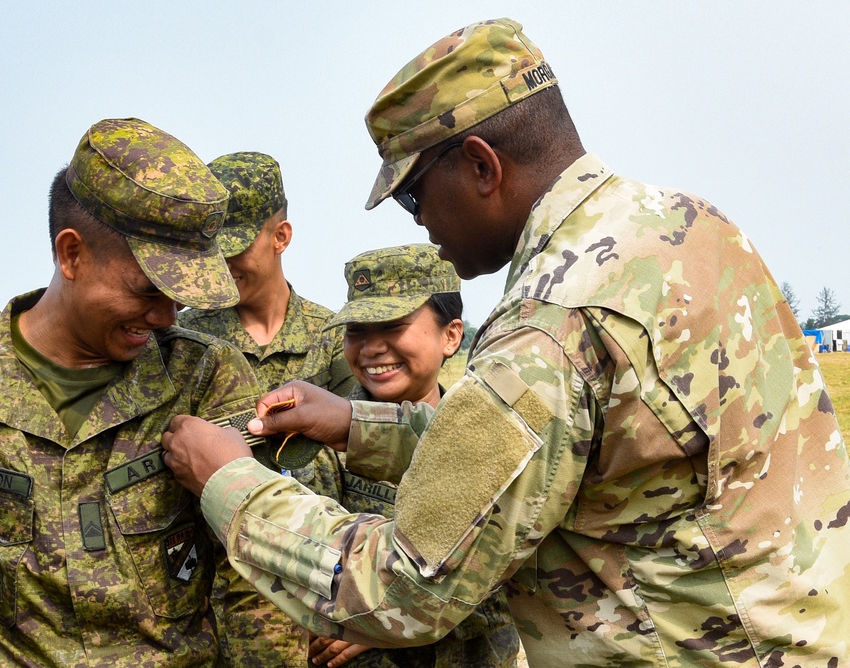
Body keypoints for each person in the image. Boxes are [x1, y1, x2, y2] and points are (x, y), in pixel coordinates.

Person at [160, 18, 850, 666]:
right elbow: (563, 450)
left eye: (413, 194)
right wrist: (358, 424)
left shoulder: (550, 326)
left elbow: (402, 585)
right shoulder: (691, 227)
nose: (422, 220)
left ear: (482, 166)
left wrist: (228, 479)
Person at [0, 117, 264, 666]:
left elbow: (253, 582)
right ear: (70, 254)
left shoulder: (207, 375)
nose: (167, 316)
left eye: (180, 297)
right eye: (147, 290)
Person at [177, 151, 354, 667]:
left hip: (320, 603)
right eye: (211, 249)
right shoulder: (183, 344)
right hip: (209, 614)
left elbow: (374, 467)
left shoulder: (335, 339)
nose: (222, 264)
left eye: (236, 247)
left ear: (281, 236)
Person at [308, 243, 521, 668]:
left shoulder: (499, 431)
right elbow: (311, 560)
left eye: (392, 326)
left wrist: (398, 614)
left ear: (452, 336)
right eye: (357, 331)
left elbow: (518, 561)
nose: (371, 348)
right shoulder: (320, 441)